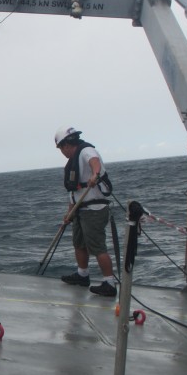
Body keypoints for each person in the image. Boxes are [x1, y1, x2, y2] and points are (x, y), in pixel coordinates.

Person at [54, 126, 117, 297]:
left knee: (97, 247)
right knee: (79, 243)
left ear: (67, 144)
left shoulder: (86, 151)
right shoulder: (73, 161)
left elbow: (94, 161)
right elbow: (74, 191)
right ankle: (82, 275)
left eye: (61, 148)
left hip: (94, 210)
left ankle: (109, 283)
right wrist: (69, 212)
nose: (62, 152)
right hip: (80, 209)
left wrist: (95, 175)